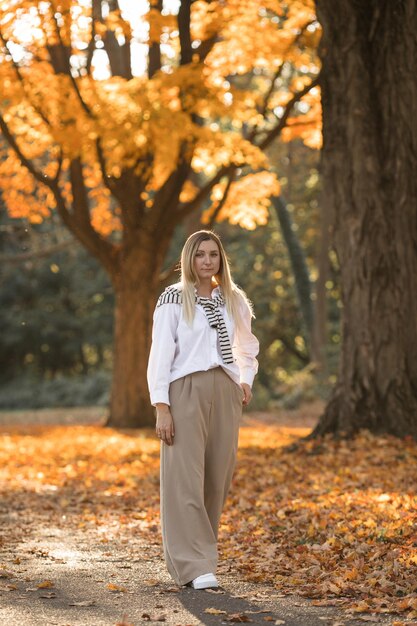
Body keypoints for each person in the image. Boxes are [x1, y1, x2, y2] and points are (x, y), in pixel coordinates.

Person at [147, 230, 259, 590]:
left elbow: (247, 345)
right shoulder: (174, 298)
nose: (207, 260)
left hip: (225, 391)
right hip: (186, 390)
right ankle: (193, 564)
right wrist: (162, 406)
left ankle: (202, 555)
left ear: (220, 259)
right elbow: (160, 355)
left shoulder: (234, 299)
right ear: (188, 259)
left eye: (213, 254)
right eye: (199, 254)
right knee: (185, 480)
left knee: (216, 479)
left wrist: (245, 380)